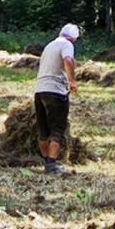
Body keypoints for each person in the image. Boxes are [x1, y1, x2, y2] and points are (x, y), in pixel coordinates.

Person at [34, 23, 79, 175]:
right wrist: (71, 81)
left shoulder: (50, 45)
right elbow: (68, 59)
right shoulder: (67, 45)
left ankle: (46, 161)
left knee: (43, 129)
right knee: (57, 128)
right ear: (74, 39)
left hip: (40, 90)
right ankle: (52, 165)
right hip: (55, 91)